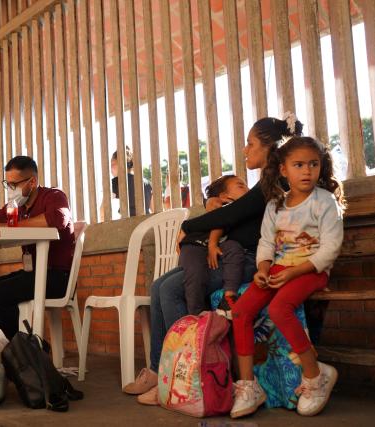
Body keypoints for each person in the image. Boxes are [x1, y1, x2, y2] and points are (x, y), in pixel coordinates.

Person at [123, 115, 303, 405]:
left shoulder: (275, 183)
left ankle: (188, 373)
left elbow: (230, 216)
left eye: (250, 143)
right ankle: (161, 371)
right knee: (158, 286)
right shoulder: (266, 183)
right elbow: (229, 216)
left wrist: (190, 226)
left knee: (170, 289)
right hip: (235, 257)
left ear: (269, 148)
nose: (245, 150)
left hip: (246, 262)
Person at [230, 136, 344, 419]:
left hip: (311, 270)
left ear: (321, 167)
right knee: (241, 311)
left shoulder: (324, 201)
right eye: (299, 165)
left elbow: (330, 248)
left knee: (279, 308)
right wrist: (263, 270)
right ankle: (248, 386)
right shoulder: (275, 206)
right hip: (279, 270)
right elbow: (266, 243)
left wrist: (294, 271)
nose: (307, 171)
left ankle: (315, 376)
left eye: (313, 164)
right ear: (283, 170)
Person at [0, 156, 75, 340]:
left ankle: (24, 347)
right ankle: (8, 344)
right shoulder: (15, 206)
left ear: (32, 181)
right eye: (7, 184)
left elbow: (58, 218)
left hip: (58, 277)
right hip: (31, 273)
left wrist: (12, 226)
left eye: (14, 184)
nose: (10, 189)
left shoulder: (54, 196)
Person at [179, 174, 249, 319]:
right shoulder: (220, 203)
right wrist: (212, 243)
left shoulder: (242, 208)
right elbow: (219, 218)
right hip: (195, 244)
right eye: (240, 186)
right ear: (224, 195)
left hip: (219, 244)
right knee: (196, 272)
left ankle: (229, 295)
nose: (247, 189)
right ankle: (196, 315)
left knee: (234, 248)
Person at [101, 146, 153, 220]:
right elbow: (155, 211)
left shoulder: (116, 182)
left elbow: (103, 211)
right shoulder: (147, 183)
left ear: (121, 163)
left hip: (129, 227)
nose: (110, 168)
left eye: (112, 164)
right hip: (147, 226)